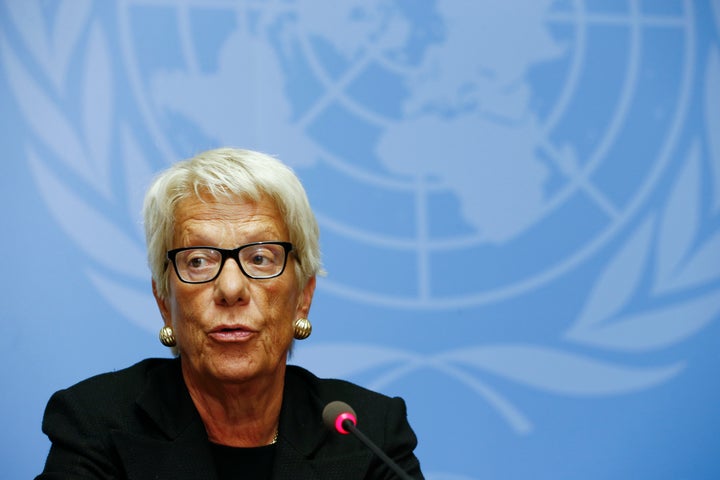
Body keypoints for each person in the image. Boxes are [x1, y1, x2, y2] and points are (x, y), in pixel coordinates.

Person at [36, 148, 424, 479]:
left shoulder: (369, 430)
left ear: (303, 297)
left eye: (260, 257)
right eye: (199, 260)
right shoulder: (96, 424)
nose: (231, 289)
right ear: (163, 301)